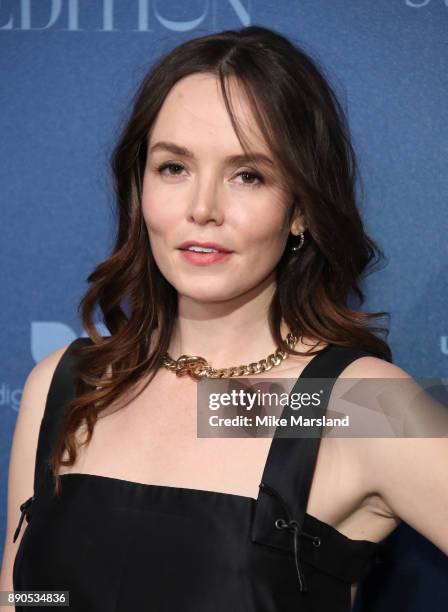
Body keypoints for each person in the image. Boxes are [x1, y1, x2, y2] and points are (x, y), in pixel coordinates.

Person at [1, 25, 447, 612]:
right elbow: (28, 597)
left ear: (301, 210)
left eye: (249, 175)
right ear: (139, 189)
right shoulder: (68, 383)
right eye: (173, 168)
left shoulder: (357, 406)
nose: (203, 208)